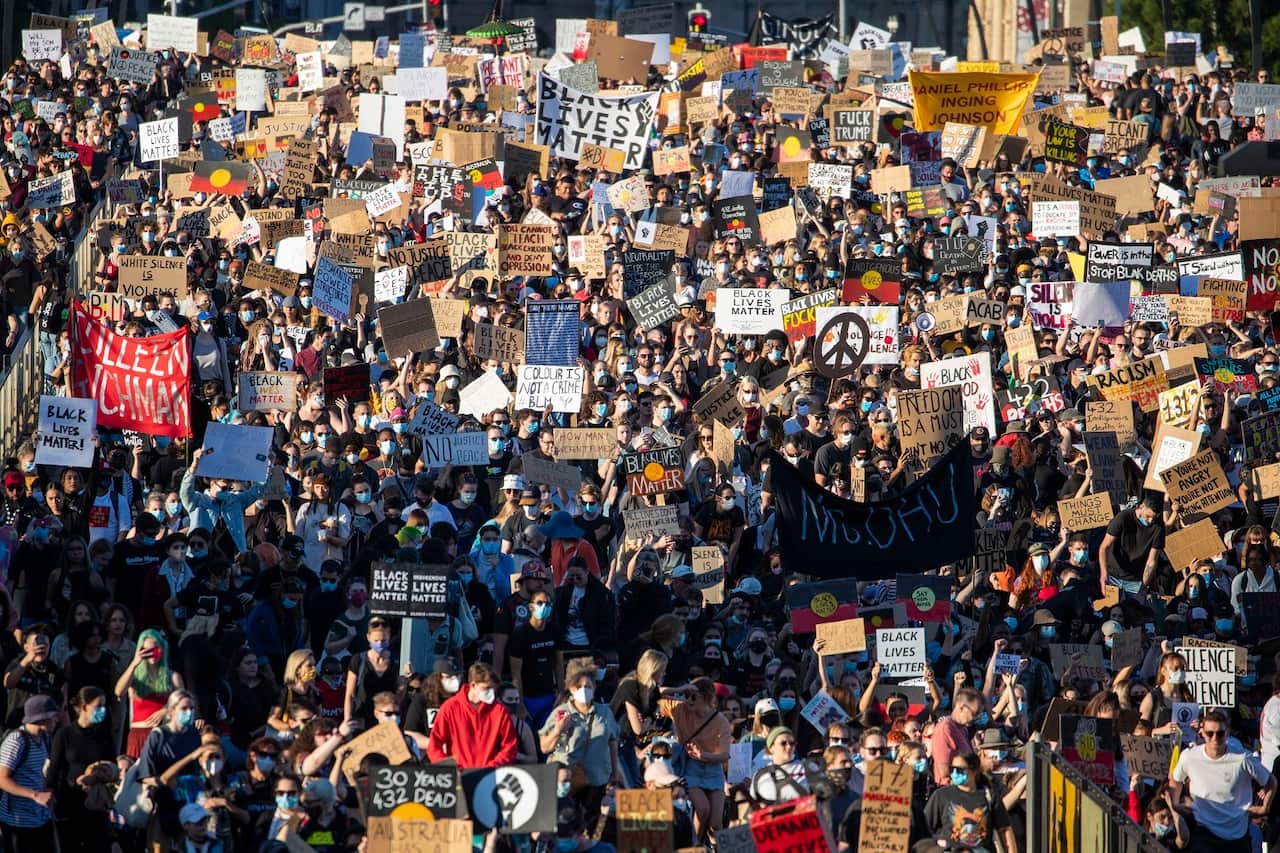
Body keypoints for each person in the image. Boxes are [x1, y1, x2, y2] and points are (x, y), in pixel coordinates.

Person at [1169, 710, 1275, 851]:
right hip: (1204, 829)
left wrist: (1264, 807)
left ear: (1227, 733)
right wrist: (1175, 803)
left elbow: (1270, 781)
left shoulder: (1242, 758)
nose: (1215, 739)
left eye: (1220, 733)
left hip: (1236, 833)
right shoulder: (1189, 757)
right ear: (1202, 733)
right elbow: (1175, 780)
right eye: (1210, 733)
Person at [539, 659, 621, 821]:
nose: (584, 690)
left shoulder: (604, 712)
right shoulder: (560, 712)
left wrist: (615, 776)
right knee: (563, 824)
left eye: (588, 686)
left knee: (592, 823)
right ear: (570, 688)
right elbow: (544, 748)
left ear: (595, 688)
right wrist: (557, 730)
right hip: (566, 781)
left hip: (598, 779)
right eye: (579, 687)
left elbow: (613, 743)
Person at [425, 663, 518, 768]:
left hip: (490, 777)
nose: (491, 693)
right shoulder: (450, 708)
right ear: (473, 685)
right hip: (459, 777)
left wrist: (491, 767)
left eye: (493, 689)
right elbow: (434, 745)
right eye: (486, 688)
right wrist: (449, 769)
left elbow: (510, 747)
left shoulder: (500, 711)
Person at [923, 752, 1017, 853]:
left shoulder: (988, 795)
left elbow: (1004, 829)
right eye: (952, 769)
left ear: (974, 771)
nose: (954, 773)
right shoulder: (941, 795)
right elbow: (924, 827)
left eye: (959, 770)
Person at [0, 696, 60, 852]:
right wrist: (35, 795)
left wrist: (47, 792)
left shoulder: (45, 739)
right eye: (53, 717)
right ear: (42, 718)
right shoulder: (17, 740)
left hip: (40, 819)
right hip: (18, 822)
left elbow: (40, 773)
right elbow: (2, 779)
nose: (56, 721)